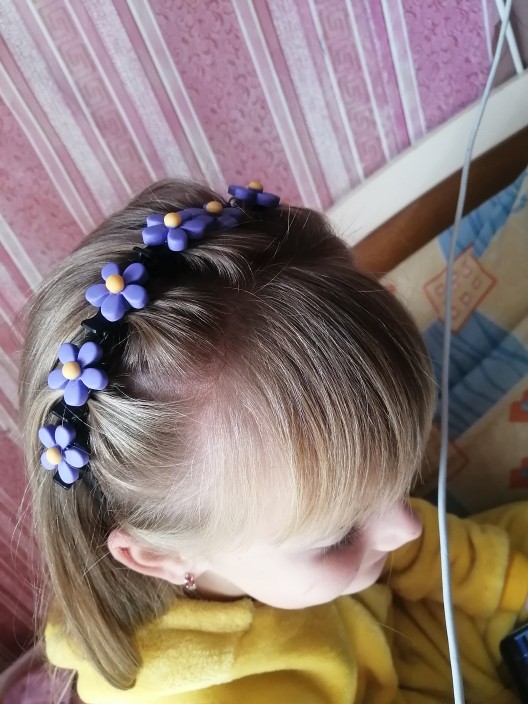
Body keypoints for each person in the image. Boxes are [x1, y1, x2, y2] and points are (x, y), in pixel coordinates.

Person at [18, 179, 528, 703]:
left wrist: (512, 580)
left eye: (398, 482)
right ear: (161, 557)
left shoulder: (271, 529)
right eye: (339, 537)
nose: (408, 526)